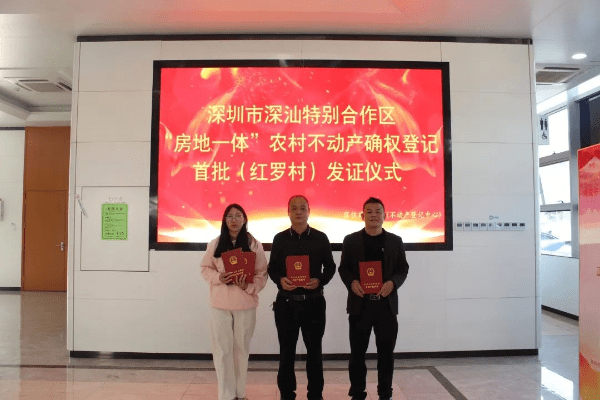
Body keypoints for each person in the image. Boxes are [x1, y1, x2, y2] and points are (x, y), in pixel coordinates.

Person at [338, 197, 409, 400]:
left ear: (385, 216)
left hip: (386, 306)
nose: (374, 215)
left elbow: (403, 269)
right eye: (369, 212)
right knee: (357, 354)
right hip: (360, 306)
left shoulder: (395, 241)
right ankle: (357, 392)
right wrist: (352, 282)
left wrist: (392, 283)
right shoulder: (351, 241)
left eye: (378, 211)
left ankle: (385, 393)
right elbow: (344, 269)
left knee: (386, 354)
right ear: (362, 216)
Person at [268, 195, 336, 400]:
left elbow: (330, 267)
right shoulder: (280, 239)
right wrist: (280, 280)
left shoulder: (320, 238)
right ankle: (287, 394)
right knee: (286, 352)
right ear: (288, 212)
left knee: (314, 352)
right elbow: (272, 269)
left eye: (302, 208)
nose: (298, 212)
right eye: (294, 208)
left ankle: (315, 394)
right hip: (286, 304)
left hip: (314, 303)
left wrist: (320, 280)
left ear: (309, 211)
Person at [201, 203, 268, 400]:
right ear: (224, 220)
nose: (234, 220)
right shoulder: (215, 243)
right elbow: (205, 268)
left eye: (238, 216)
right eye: (230, 216)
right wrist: (218, 278)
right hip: (219, 305)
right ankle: (226, 395)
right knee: (222, 351)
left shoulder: (254, 244)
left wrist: (248, 286)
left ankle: (240, 393)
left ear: (244, 219)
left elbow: (262, 274)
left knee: (241, 351)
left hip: (245, 304)